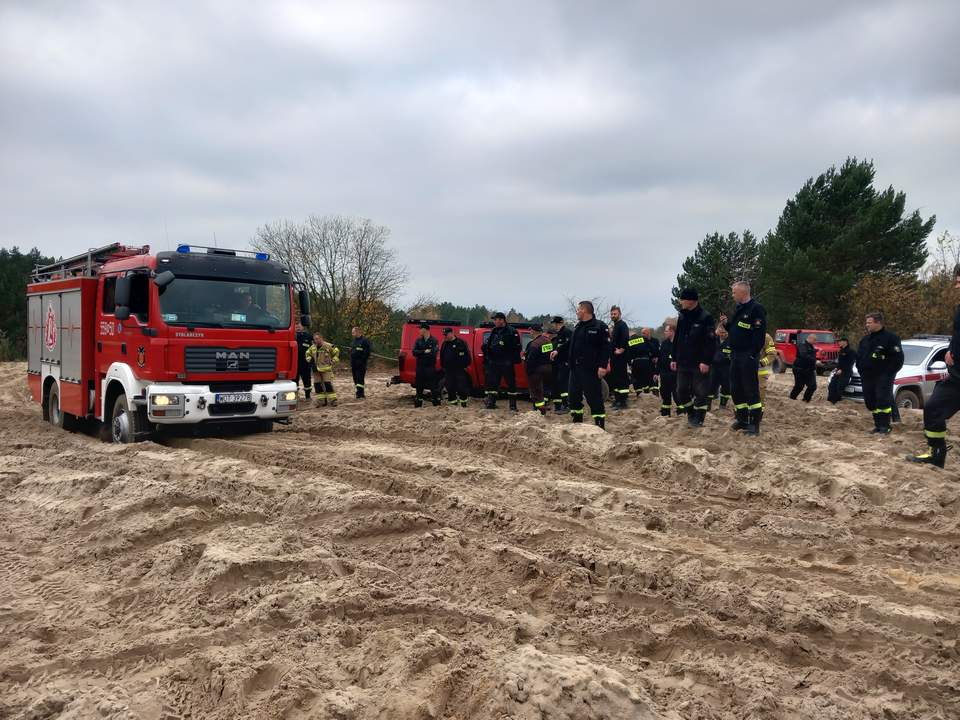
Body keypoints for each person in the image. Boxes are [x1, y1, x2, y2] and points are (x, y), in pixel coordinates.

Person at [907, 265, 960, 468]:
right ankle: (936, 454)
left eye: (959, 283)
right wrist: (950, 350)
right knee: (933, 408)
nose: (956, 287)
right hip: (955, 376)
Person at [719, 281, 767, 436]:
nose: (732, 295)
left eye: (734, 292)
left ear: (742, 293)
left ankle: (754, 424)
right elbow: (733, 328)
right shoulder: (738, 310)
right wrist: (726, 323)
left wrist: (752, 353)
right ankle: (742, 419)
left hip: (748, 355)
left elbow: (759, 335)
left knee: (750, 388)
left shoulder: (756, 309)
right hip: (735, 354)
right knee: (736, 388)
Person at [559, 301, 611, 428]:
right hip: (575, 368)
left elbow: (606, 347)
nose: (576, 312)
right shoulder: (578, 327)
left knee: (594, 398)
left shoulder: (599, 326)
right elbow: (570, 343)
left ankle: (599, 425)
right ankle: (577, 422)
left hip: (590, 368)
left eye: (578, 309)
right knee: (573, 397)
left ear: (584, 310)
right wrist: (558, 351)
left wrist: (603, 366)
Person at [672, 288, 715, 428]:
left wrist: (706, 361)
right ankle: (690, 412)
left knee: (700, 392)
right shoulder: (682, 317)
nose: (680, 302)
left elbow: (710, 342)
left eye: (682, 299)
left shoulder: (705, 317)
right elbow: (677, 338)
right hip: (683, 361)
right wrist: (674, 358)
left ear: (691, 300)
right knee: (681, 390)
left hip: (699, 362)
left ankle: (699, 417)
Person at [856, 312, 904, 435]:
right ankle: (877, 426)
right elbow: (860, 356)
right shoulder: (866, 339)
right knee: (870, 402)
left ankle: (885, 426)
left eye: (869, 322)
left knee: (883, 400)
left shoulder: (891, 338)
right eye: (866, 322)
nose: (866, 325)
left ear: (878, 323)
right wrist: (860, 369)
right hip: (867, 375)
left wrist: (888, 372)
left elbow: (897, 358)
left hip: (883, 375)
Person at [482, 312, 523, 411]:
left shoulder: (511, 331)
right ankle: (491, 403)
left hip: (507, 361)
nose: (494, 322)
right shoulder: (494, 331)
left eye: (496, 320)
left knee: (511, 384)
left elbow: (517, 347)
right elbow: (488, 343)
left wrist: (511, 360)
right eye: (494, 320)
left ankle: (512, 406)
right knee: (493, 383)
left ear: (502, 320)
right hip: (494, 361)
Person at [525, 324, 554, 415]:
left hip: (537, 370)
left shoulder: (535, 344)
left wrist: (528, 370)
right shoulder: (548, 341)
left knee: (536, 392)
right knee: (543, 389)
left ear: (532, 332)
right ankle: (540, 408)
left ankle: (540, 411)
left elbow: (531, 359)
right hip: (548, 368)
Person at [439, 326, 472, 407]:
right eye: (444, 335)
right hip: (448, 370)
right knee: (450, 388)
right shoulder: (445, 344)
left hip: (459, 370)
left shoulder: (460, 342)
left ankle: (464, 403)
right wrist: (443, 366)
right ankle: (453, 403)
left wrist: (465, 365)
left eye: (446, 335)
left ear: (451, 333)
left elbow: (467, 355)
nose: (445, 336)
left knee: (461, 388)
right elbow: (442, 355)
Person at [305, 331, 339, 407]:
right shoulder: (313, 347)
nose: (315, 341)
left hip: (326, 370)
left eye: (317, 339)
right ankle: (321, 401)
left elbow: (338, 353)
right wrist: (310, 360)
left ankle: (333, 400)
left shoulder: (328, 346)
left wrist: (332, 361)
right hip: (316, 371)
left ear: (321, 338)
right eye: (314, 339)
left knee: (328, 385)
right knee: (318, 386)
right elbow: (307, 354)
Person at [411, 323, 441, 408]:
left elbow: (433, 354)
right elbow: (414, 352)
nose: (419, 330)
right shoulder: (418, 340)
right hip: (420, 367)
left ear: (425, 329)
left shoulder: (434, 340)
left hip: (430, 367)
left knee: (433, 386)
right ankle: (418, 404)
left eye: (420, 329)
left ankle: (436, 404)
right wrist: (424, 352)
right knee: (419, 386)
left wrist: (420, 354)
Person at [609, 306, 631, 410]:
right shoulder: (616, 326)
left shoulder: (622, 325)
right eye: (612, 314)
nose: (613, 316)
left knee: (621, 378)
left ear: (620, 314)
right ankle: (617, 399)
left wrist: (621, 350)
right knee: (615, 378)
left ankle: (623, 401)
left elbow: (625, 337)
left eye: (615, 314)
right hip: (614, 357)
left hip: (620, 357)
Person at [789, 333, 821, 402]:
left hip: (809, 369)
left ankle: (806, 399)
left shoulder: (812, 347)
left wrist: (814, 368)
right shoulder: (802, 345)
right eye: (814, 340)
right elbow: (804, 355)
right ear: (809, 338)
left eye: (816, 341)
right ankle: (792, 397)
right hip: (800, 369)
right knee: (799, 386)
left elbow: (812, 357)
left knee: (812, 386)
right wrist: (815, 361)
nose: (815, 342)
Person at [551, 315, 572, 414]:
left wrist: (568, 359)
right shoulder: (559, 334)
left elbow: (570, 347)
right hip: (558, 363)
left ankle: (566, 405)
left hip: (565, 362)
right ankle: (560, 405)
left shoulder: (566, 332)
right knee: (558, 383)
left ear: (555, 324)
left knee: (563, 382)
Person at [629, 328, 658, 397]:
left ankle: (639, 394)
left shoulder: (629, 341)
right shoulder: (643, 338)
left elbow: (628, 354)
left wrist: (629, 364)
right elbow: (652, 348)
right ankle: (655, 392)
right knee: (650, 376)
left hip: (636, 362)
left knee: (637, 378)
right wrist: (655, 356)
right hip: (646, 361)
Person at [656, 323, 678, 416]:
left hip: (676, 373)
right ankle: (665, 411)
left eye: (666, 331)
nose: (664, 332)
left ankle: (681, 411)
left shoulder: (679, 343)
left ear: (672, 332)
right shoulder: (665, 343)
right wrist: (656, 372)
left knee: (677, 393)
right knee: (665, 393)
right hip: (664, 373)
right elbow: (660, 358)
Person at [709, 324, 732, 410]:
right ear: (717, 331)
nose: (723, 334)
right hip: (714, 366)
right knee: (711, 385)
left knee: (727, 386)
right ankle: (708, 403)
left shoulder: (732, 341)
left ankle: (723, 404)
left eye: (725, 332)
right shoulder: (713, 339)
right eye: (721, 332)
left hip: (726, 367)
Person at [828, 337, 856, 404]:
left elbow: (850, 363)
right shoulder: (841, 351)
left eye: (840, 341)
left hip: (845, 372)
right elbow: (840, 362)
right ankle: (830, 398)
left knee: (840, 386)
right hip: (838, 371)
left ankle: (835, 400)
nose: (839, 343)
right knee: (832, 384)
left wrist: (842, 370)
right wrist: (837, 368)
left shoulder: (850, 351)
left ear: (845, 342)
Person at [349, 326, 372, 399]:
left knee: (360, 377)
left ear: (358, 332)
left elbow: (367, 351)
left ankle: (360, 393)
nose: (352, 334)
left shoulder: (364, 340)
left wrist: (362, 359)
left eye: (353, 333)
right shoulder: (355, 340)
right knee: (355, 377)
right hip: (354, 362)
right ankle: (358, 391)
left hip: (361, 362)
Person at [295, 320, 314, 401]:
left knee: (306, 379)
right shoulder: (292, 336)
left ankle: (308, 395)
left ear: (303, 327)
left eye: (299, 327)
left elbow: (313, 348)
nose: (298, 329)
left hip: (305, 362)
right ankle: (295, 395)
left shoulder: (309, 337)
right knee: (294, 380)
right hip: (294, 362)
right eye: (296, 328)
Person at [757, 332, 777, 405]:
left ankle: (758, 416)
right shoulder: (744, 333)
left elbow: (772, 354)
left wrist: (761, 363)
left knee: (760, 398)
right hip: (744, 371)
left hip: (760, 373)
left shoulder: (766, 337)